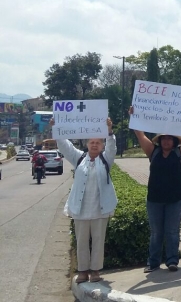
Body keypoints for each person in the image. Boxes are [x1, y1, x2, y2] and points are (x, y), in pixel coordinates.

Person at [129, 106, 181, 273]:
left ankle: (172, 261)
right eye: (163, 138)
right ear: (159, 140)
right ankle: (153, 262)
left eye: (169, 139)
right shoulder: (153, 151)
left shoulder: (180, 153)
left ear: (174, 141)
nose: (166, 141)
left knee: (172, 231)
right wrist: (134, 116)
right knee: (156, 232)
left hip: (176, 199)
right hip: (154, 199)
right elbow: (140, 134)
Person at [52, 117, 117, 284]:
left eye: (98, 142)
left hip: (100, 209)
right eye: (92, 142)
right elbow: (65, 146)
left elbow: (112, 146)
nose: (95, 145)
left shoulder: (106, 160)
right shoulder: (79, 158)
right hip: (80, 208)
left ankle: (95, 271)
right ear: (87, 144)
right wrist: (57, 129)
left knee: (98, 241)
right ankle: (82, 271)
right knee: (81, 242)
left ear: (102, 145)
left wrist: (109, 131)